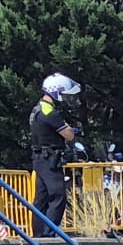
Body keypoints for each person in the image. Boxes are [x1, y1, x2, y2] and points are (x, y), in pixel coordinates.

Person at [29, 74, 82, 233]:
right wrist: (70, 129)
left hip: (39, 158)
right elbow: (69, 135)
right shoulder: (50, 113)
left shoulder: (37, 109)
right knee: (58, 196)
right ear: (56, 92)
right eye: (65, 94)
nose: (66, 99)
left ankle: (38, 234)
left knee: (41, 198)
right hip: (50, 159)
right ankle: (48, 233)